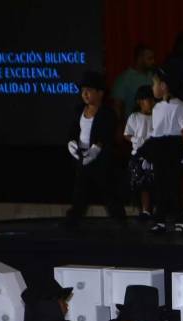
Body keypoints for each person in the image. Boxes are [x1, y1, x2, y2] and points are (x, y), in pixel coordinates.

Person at [65, 71, 125, 228]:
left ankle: (120, 221)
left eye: (89, 90)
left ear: (100, 93)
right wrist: (72, 143)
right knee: (79, 192)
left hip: (101, 160)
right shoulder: (78, 110)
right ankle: (72, 221)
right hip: (82, 157)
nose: (84, 94)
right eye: (83, 90)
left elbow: (106, 135)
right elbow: (73, 130)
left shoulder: (107, 113)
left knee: (108, 191)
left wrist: (96, 149)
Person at [141, 69, 183, 235]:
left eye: (154, 84)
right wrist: (148, 154)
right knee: (159, 185)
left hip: (173, 146)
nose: (153, 88)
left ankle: (178, 219)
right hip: (159, 147)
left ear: (164, 86)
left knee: (173, 185)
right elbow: (154, 132)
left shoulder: (179, 106)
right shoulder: (157, 107)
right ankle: (160, 220)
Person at [124, 85, 156, 220]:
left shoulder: (157, 115)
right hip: (139, 154)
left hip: (154, 154)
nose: (151, 103)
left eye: (153, 100)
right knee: (142, 184)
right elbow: (126, 134)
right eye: (148, 100)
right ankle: (145, 210)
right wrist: (136, 139)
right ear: (140, 101)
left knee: (154, 182)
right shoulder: (134, 117)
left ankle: (155, 209)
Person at [110, 43, 156, 119]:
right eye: (150, 58)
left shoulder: (153, 75)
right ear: (140, 58)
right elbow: (117, 107)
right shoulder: (124, 78)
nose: (153, 61)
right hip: (134, 125)